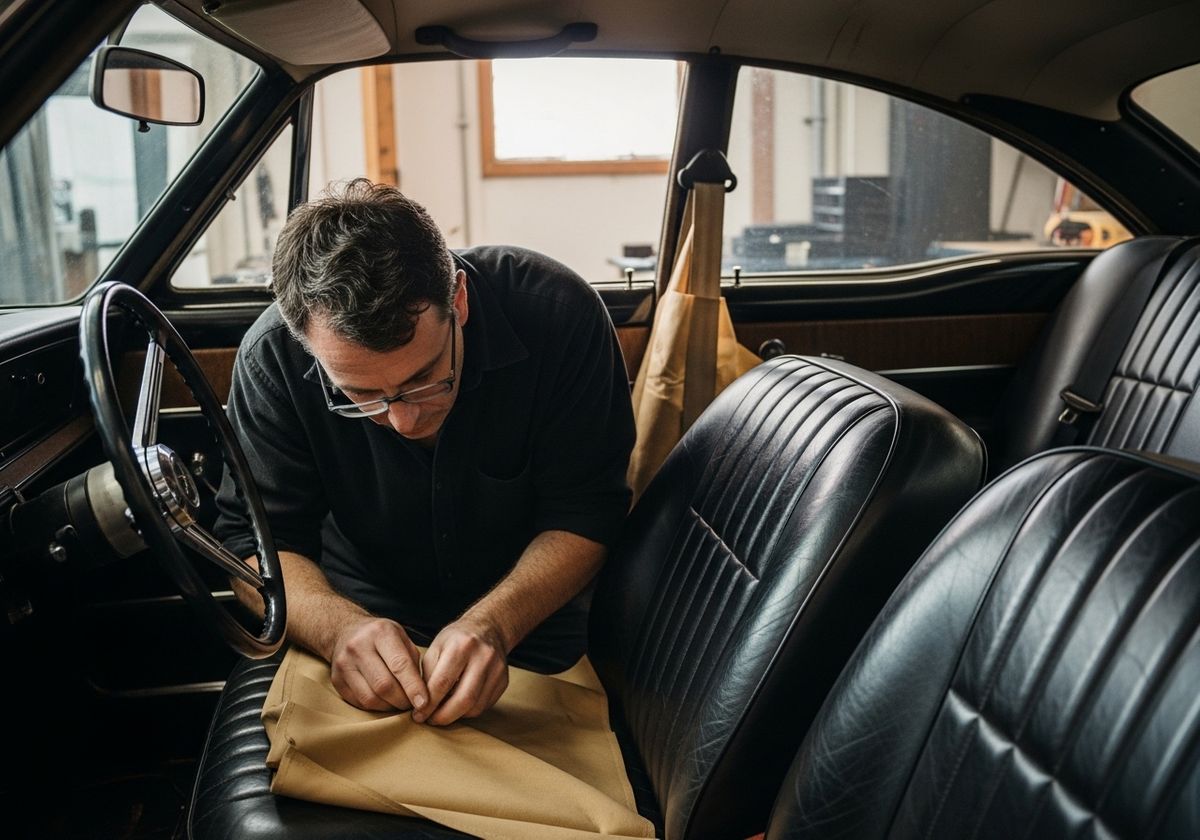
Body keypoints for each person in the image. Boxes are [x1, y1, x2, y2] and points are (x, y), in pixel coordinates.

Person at [214, 179, 635, 726]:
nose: (402, 420)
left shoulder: (560, 316)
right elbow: (254, 546)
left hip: (534, 619)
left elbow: (588, 511)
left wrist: (496, 624)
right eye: (360, 396)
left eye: (425, 380)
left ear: (458, 301)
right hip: (353, 618)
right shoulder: (271, 357)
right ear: (307, 343)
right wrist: (339, 628)